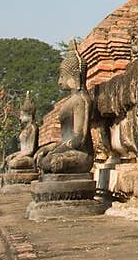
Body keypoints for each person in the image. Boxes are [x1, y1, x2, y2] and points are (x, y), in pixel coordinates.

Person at [35, 42, 94, 175]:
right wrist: (48, 147)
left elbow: (80, 138)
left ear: (75, 76)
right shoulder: (70, 102)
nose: (59, 81)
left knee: (53, 162)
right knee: (43, 159)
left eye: (62, 76)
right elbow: (66, 138)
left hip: (82, 155)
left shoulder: (82, 100)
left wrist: (55, 151)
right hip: (68, 150)